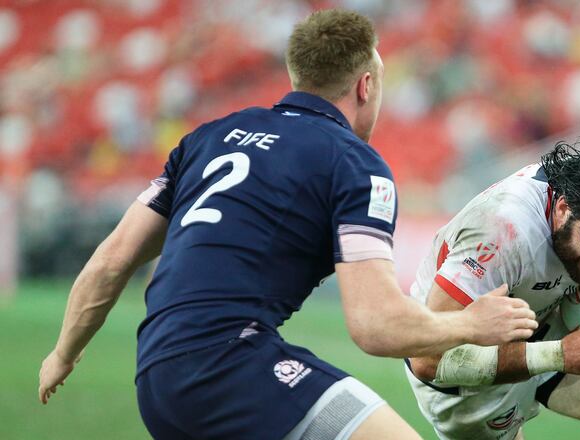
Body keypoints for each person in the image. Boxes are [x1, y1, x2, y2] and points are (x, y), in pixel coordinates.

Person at [38, 9, 539, 440]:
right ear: (367, 85)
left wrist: (62, 354)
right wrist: (470, 325)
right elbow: (377, 326)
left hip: (155, 377)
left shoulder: (207, 138)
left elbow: (110, 262)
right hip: (230, 368)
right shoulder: (355, 165)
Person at [406, 138, 580, 440]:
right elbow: (426, 360)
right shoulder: (502, 231)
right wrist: (559, 355)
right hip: (471, 361)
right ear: (563, 208)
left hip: (556, 322)